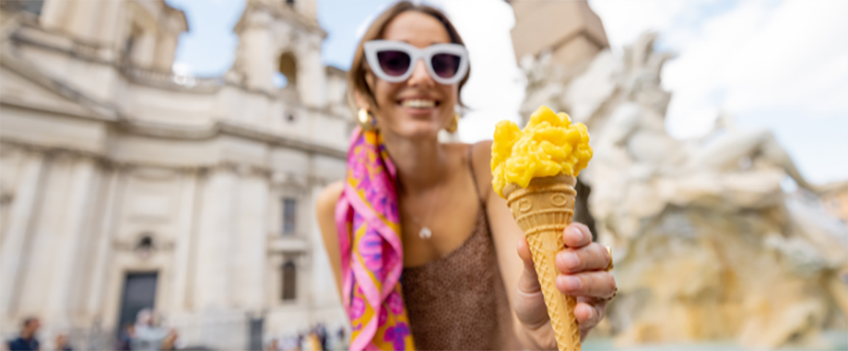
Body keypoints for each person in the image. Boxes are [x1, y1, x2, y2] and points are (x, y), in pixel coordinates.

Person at [315, 2, 617, 350]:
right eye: (395, 60)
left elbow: (528, 323)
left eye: (443, 62)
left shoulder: (487, 164)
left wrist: (545, 326)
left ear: (456, 86)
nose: (422, 77)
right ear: (364, 86)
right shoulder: (338, 208)